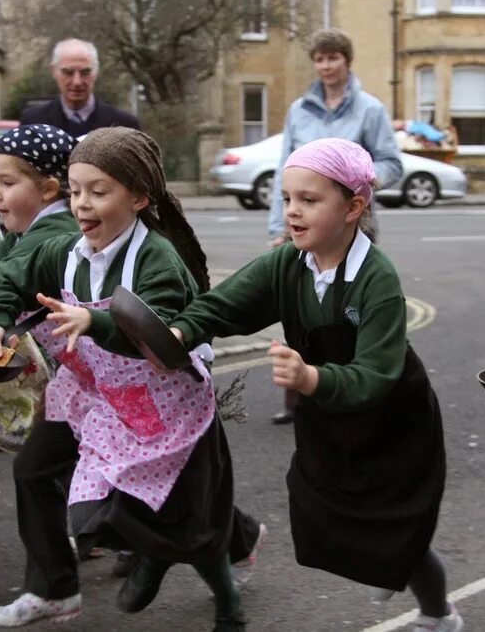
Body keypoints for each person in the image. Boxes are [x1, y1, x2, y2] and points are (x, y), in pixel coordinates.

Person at [168, 138, 459, 632]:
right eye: (286, 199)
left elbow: (374, 376)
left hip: (392, 422)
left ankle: (438, 614)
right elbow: (223, 305)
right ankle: (385, 560)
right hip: (329, 416)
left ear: (353, 207)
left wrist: (308, 377)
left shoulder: (376, 278)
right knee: (317, 507)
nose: (292, 212)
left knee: (402, 535)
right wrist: (177, 332)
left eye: (309, 199)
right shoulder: (288, 264)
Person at [0, 128, 247, 631]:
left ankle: (223, 595)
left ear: (139, 197)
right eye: (76, 190)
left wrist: (96, 322)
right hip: (91, 397)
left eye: (99, 192)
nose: (82, 204)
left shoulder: (157, 258)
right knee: (35, 471)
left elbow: (162, 332)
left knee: (188, 526)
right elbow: (10, 277)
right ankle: (52, 591)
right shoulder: (64, 251)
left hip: (165, 404)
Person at [266, 28, 402, 424]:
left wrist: (355, 181)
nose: (326, 66)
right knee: (300, 307)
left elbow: (392, 164)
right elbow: (284, 171)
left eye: (333, 57)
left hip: (349, 224)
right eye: (320, 58)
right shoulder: (299, 111)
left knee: (345, 312)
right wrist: (281, 225)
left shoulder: (370, 110)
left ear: (347, 60)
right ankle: (299, 395)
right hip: (305, 225)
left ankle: (350, 388)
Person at [19, 38, 140, 138]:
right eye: (68, 72)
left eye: (85, 72)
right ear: (53, 71)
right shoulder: (32, 123)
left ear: (96, 72)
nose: (77, 82)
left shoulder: (124, 126)